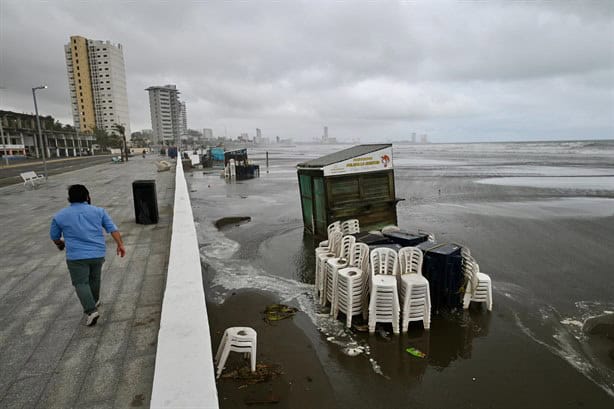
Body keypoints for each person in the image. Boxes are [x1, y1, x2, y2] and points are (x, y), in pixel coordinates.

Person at [50, 184, 126, 326]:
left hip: (76, 256)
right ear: (87, 196)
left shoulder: (60, 216)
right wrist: (120, 244)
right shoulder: (98, 211)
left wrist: (61, 243)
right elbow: (112, 229)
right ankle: (95, 300)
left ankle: (91, 311)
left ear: (69, 198)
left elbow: (54, 237)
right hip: (97, 253)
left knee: (80, 283)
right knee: (94, 278)